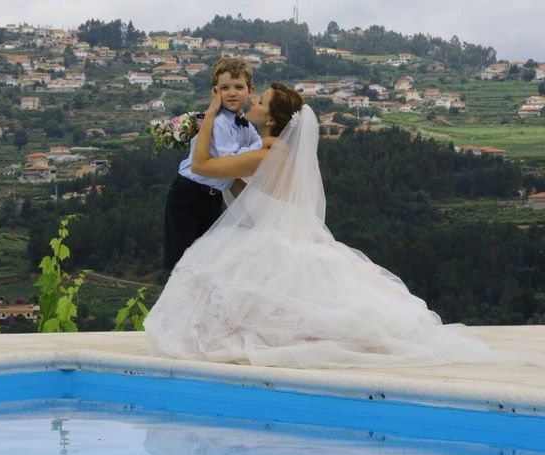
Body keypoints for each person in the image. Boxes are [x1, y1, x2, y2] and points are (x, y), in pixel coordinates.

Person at [145, 83, 544, 369]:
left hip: (274, 235)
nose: (253, 101)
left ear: (273, 118)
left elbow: (201, 168)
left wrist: (207, 122)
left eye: (261, 100)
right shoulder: (275, 150)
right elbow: (238, 185)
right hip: (290, 231)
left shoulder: (264, 152)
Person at [163, 58, 263, 271]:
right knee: (181, 261)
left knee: (207, 259)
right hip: (187, 194)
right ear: (215, 92)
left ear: (250, 90)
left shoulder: (244, 124)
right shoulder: (218, 122)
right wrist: (255, 154)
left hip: (213, 197)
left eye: (238, 87)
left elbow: (258, 143)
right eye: (225, 88)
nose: (232, 93)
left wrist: (256, 150)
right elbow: (231, 160)